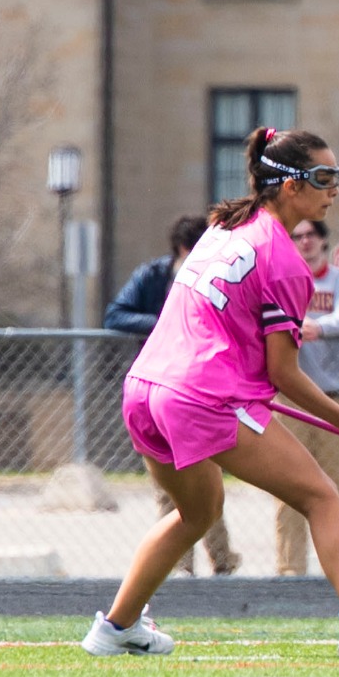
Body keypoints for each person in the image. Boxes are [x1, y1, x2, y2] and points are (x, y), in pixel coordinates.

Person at [80, 127, 339, 659]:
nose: (335, 189)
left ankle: (116, 627)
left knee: (197, 511)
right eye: (324, 177)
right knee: (322, 497)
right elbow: (283, 373)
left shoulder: (222, 227)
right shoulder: (286, 262)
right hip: (202, 397)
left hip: (145, 391)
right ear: (289, 186)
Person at [104, 215, 243, 578]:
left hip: (200, 393)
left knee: (207, 484)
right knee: (171, 488)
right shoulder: (154, 276)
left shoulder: (215, 280)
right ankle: (179, 566)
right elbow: (115, 314)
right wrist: (164, 322)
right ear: (185, 250)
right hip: (158, 392)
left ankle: (222, 560)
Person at [274, 219, 339, 577]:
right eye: (297, 236)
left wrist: (318, 326)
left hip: (337, 399)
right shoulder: (281, 282)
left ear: (324, 241)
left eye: (311, 235)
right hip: (291, 399)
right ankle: (289, 570)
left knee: (334, 488)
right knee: (287, 487)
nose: (304, 241)